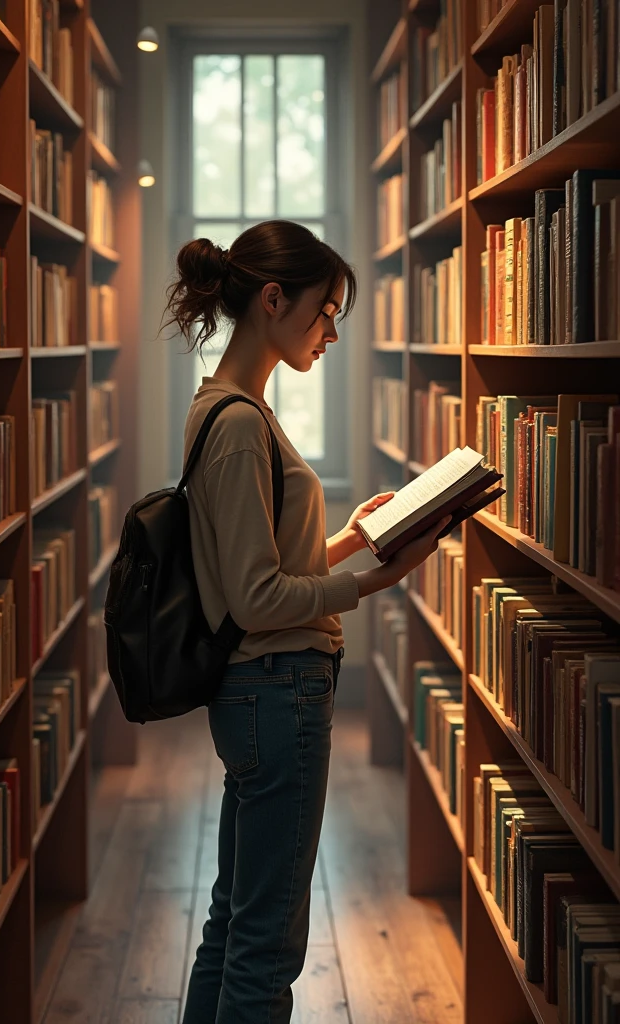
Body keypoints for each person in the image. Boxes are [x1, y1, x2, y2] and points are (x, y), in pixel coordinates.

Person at [162, 221, 450, 1024]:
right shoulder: (243, 427)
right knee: (266, 947)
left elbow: (260, 567)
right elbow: (259, 600)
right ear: (273, 299)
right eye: (324, 312)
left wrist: (353, 537)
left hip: (257, 694)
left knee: (232, 926)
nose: (329, 332)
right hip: (278, 689)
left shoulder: (222, 408)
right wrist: (374, 581)